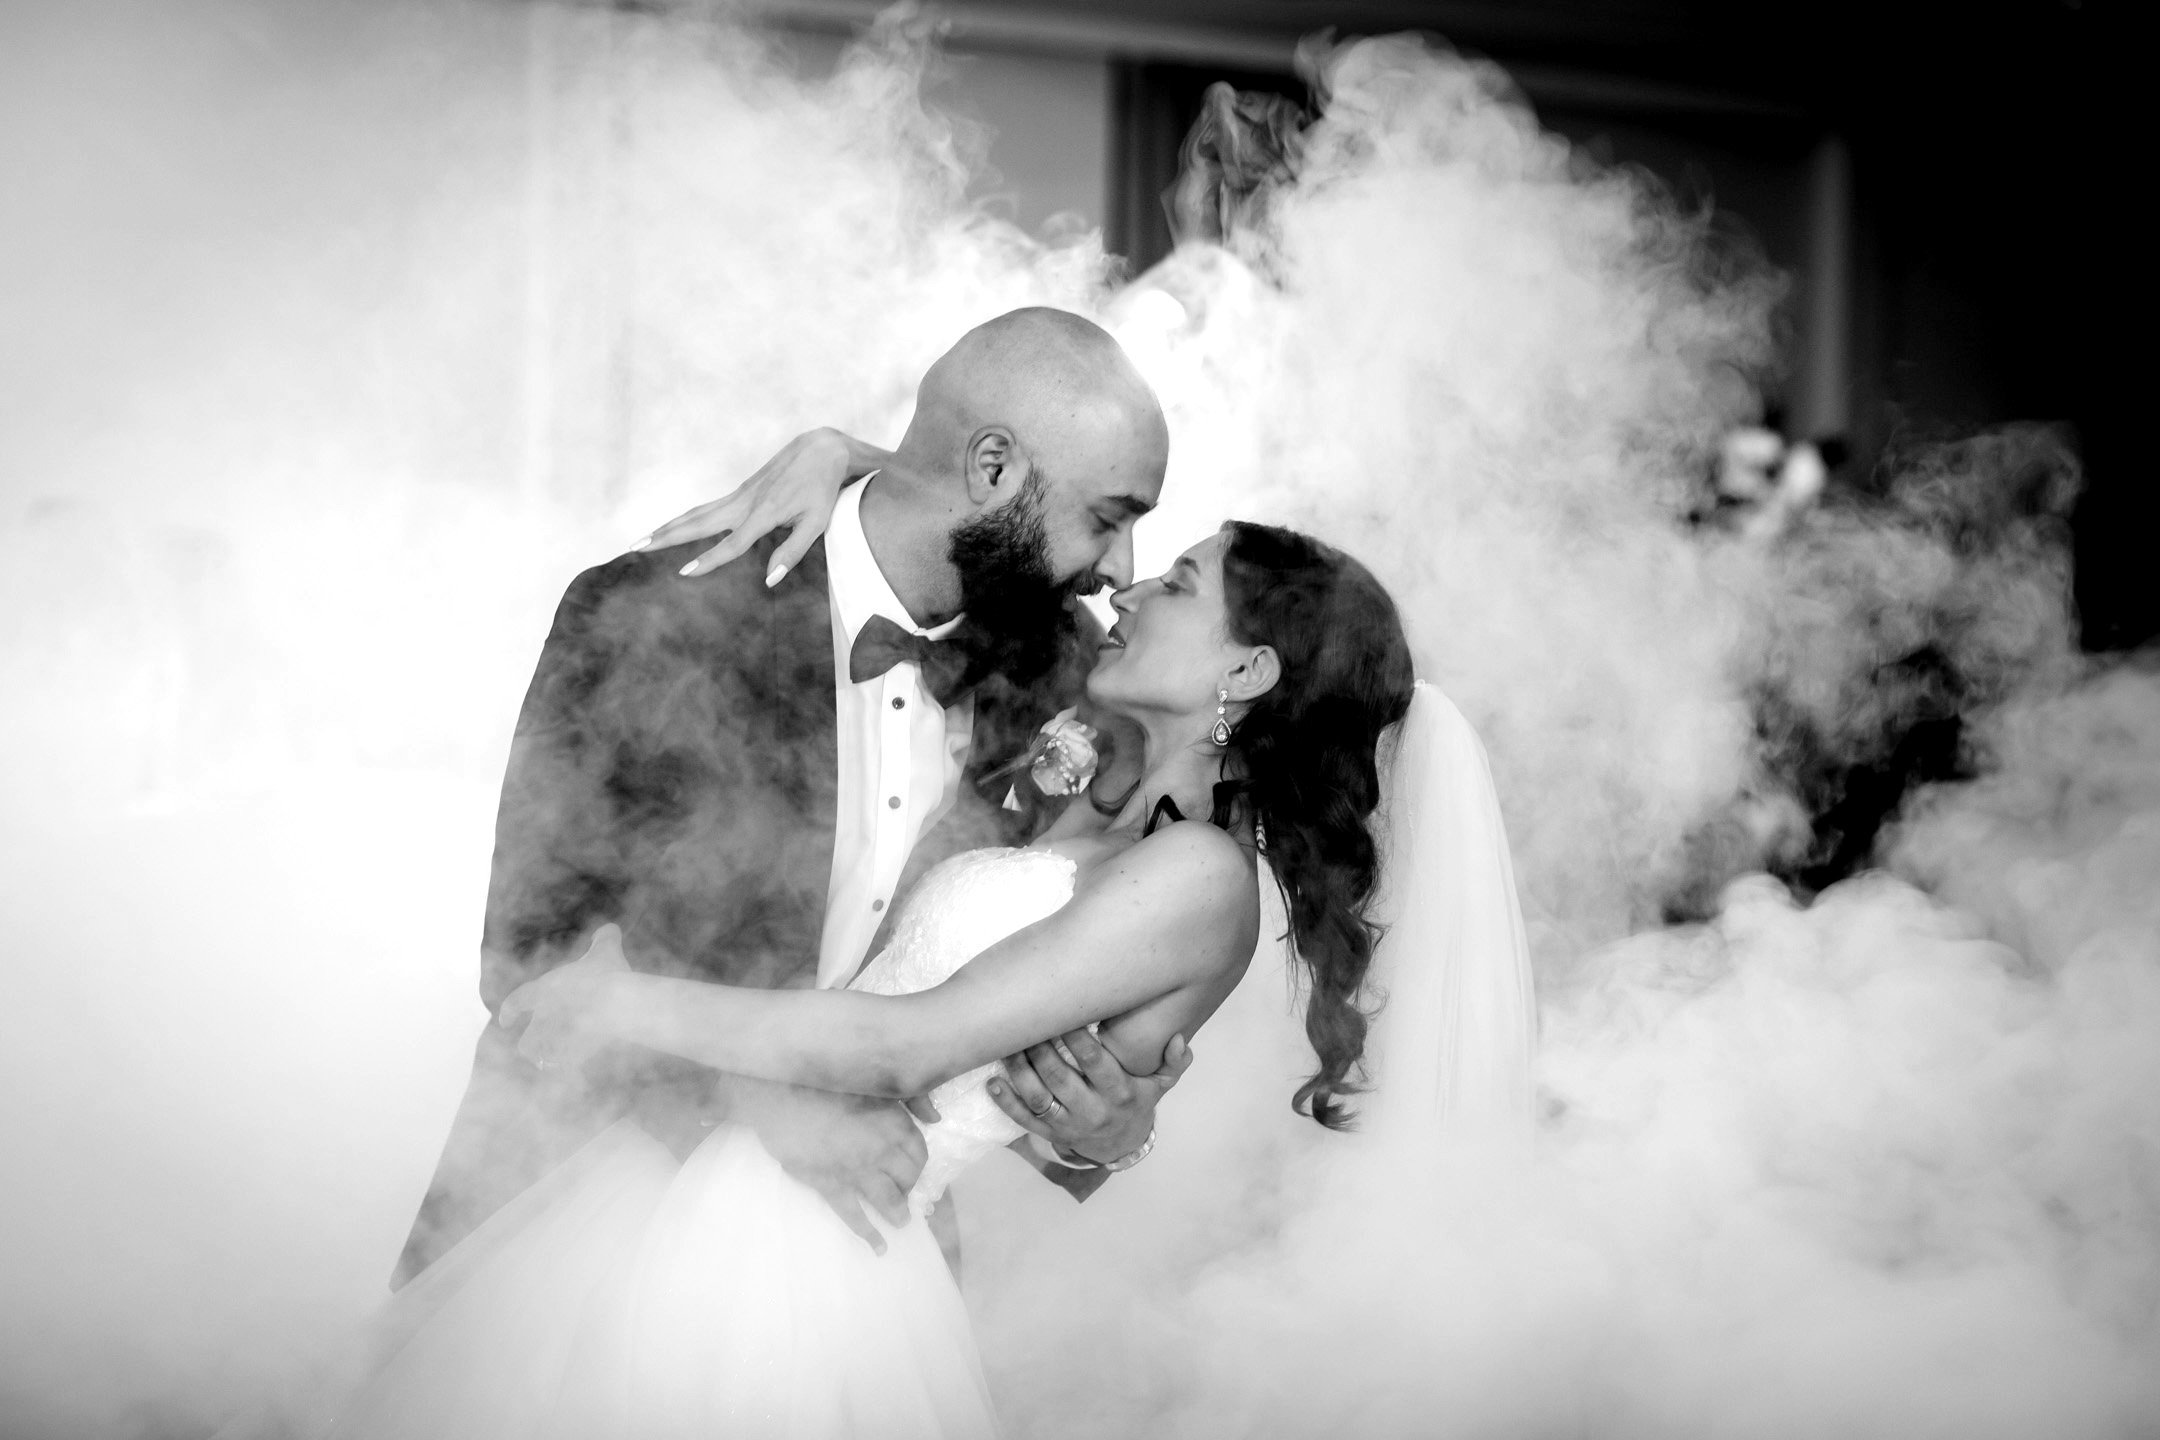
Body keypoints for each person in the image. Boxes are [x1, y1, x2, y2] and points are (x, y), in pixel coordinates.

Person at [326, 519, 1429, 1440]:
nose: (1128, 585)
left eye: (1178, 581)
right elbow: (968, 472)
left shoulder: (1196, 875)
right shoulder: (1089, 756)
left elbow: (913, 1046)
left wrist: (618, 1002)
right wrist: (835, 454)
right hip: (692, 1176)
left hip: (817, 1246)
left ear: (1245, 670)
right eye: (1125, 537)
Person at [395, 307, 1190, 1285]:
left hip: (856, 1260)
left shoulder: (1066, 667)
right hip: (567, 1227)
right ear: (992, 469)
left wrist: (1097, 1134)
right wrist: (765, 1100)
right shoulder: (653, 615)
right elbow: (526, 955)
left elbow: (1003, 997)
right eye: (1109, 519)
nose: (1121, 574)